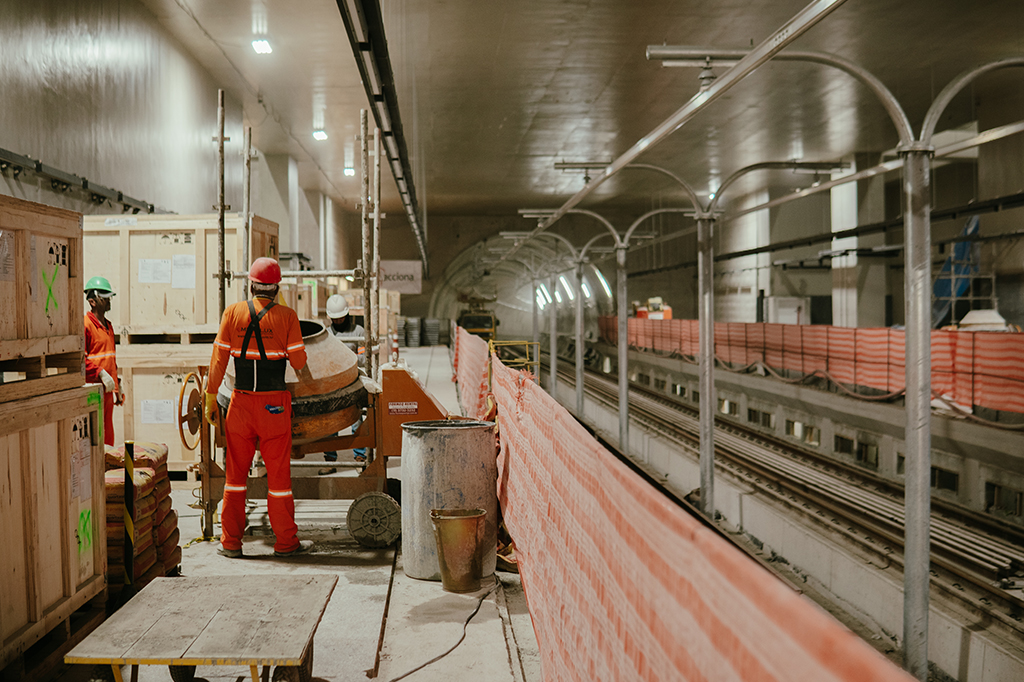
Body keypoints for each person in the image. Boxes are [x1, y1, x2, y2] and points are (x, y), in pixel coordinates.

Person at [204, 257, 314, 558]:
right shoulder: (288, 317)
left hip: (239, 405)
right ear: (276, 289)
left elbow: (218, 362)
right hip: (273, 408)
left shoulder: (232, 313)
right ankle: (286, 543)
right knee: (278, 481)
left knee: (235, 479)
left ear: (250, 285)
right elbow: (300, 363)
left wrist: (211, 397)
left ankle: (231, 543)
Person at [319, 294, 366, 475]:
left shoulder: (359, 332)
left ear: (347, 315)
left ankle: (360, 457)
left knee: (356, 419)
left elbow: (363, 358)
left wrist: (347, 358)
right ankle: (330, 460)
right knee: (330, 422)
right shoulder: (327, 334)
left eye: (341, 317)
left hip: (353, 381)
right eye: (335, 318)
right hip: (332, 384)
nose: (338, 321)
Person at [83, 276, 123, 446]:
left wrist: (118, 386)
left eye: (109, 297)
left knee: (108, 435)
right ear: (92, 301)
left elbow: (111, 359)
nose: (109, 301)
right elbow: (80, 361)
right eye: (105, 297)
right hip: (93, 391)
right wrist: (100, 373)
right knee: (96, 436)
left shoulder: (108, 326)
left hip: (107, 390)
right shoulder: (85, 325)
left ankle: (106, 470)